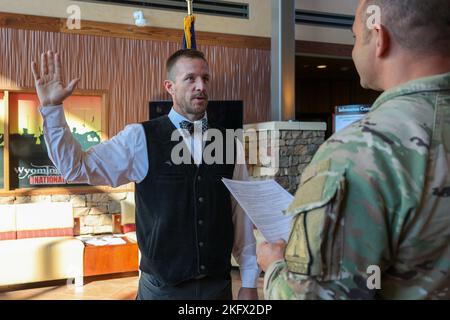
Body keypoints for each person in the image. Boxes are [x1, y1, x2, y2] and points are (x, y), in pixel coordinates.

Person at [257, 0, 450, 300]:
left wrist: (274, 267)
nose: (352, 49)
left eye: (355, 37)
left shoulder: (357, 153)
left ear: (380, 37)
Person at [31, 49, 260, 300]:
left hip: (218, 288)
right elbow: (75, 167)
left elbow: (240, 213)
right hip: (161, 290)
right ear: (169, 87)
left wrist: (248, 280)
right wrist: (52, 108)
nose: (200, 86)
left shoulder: (228, 143)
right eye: (190, 78)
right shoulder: (139, 137)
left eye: (205, 79)